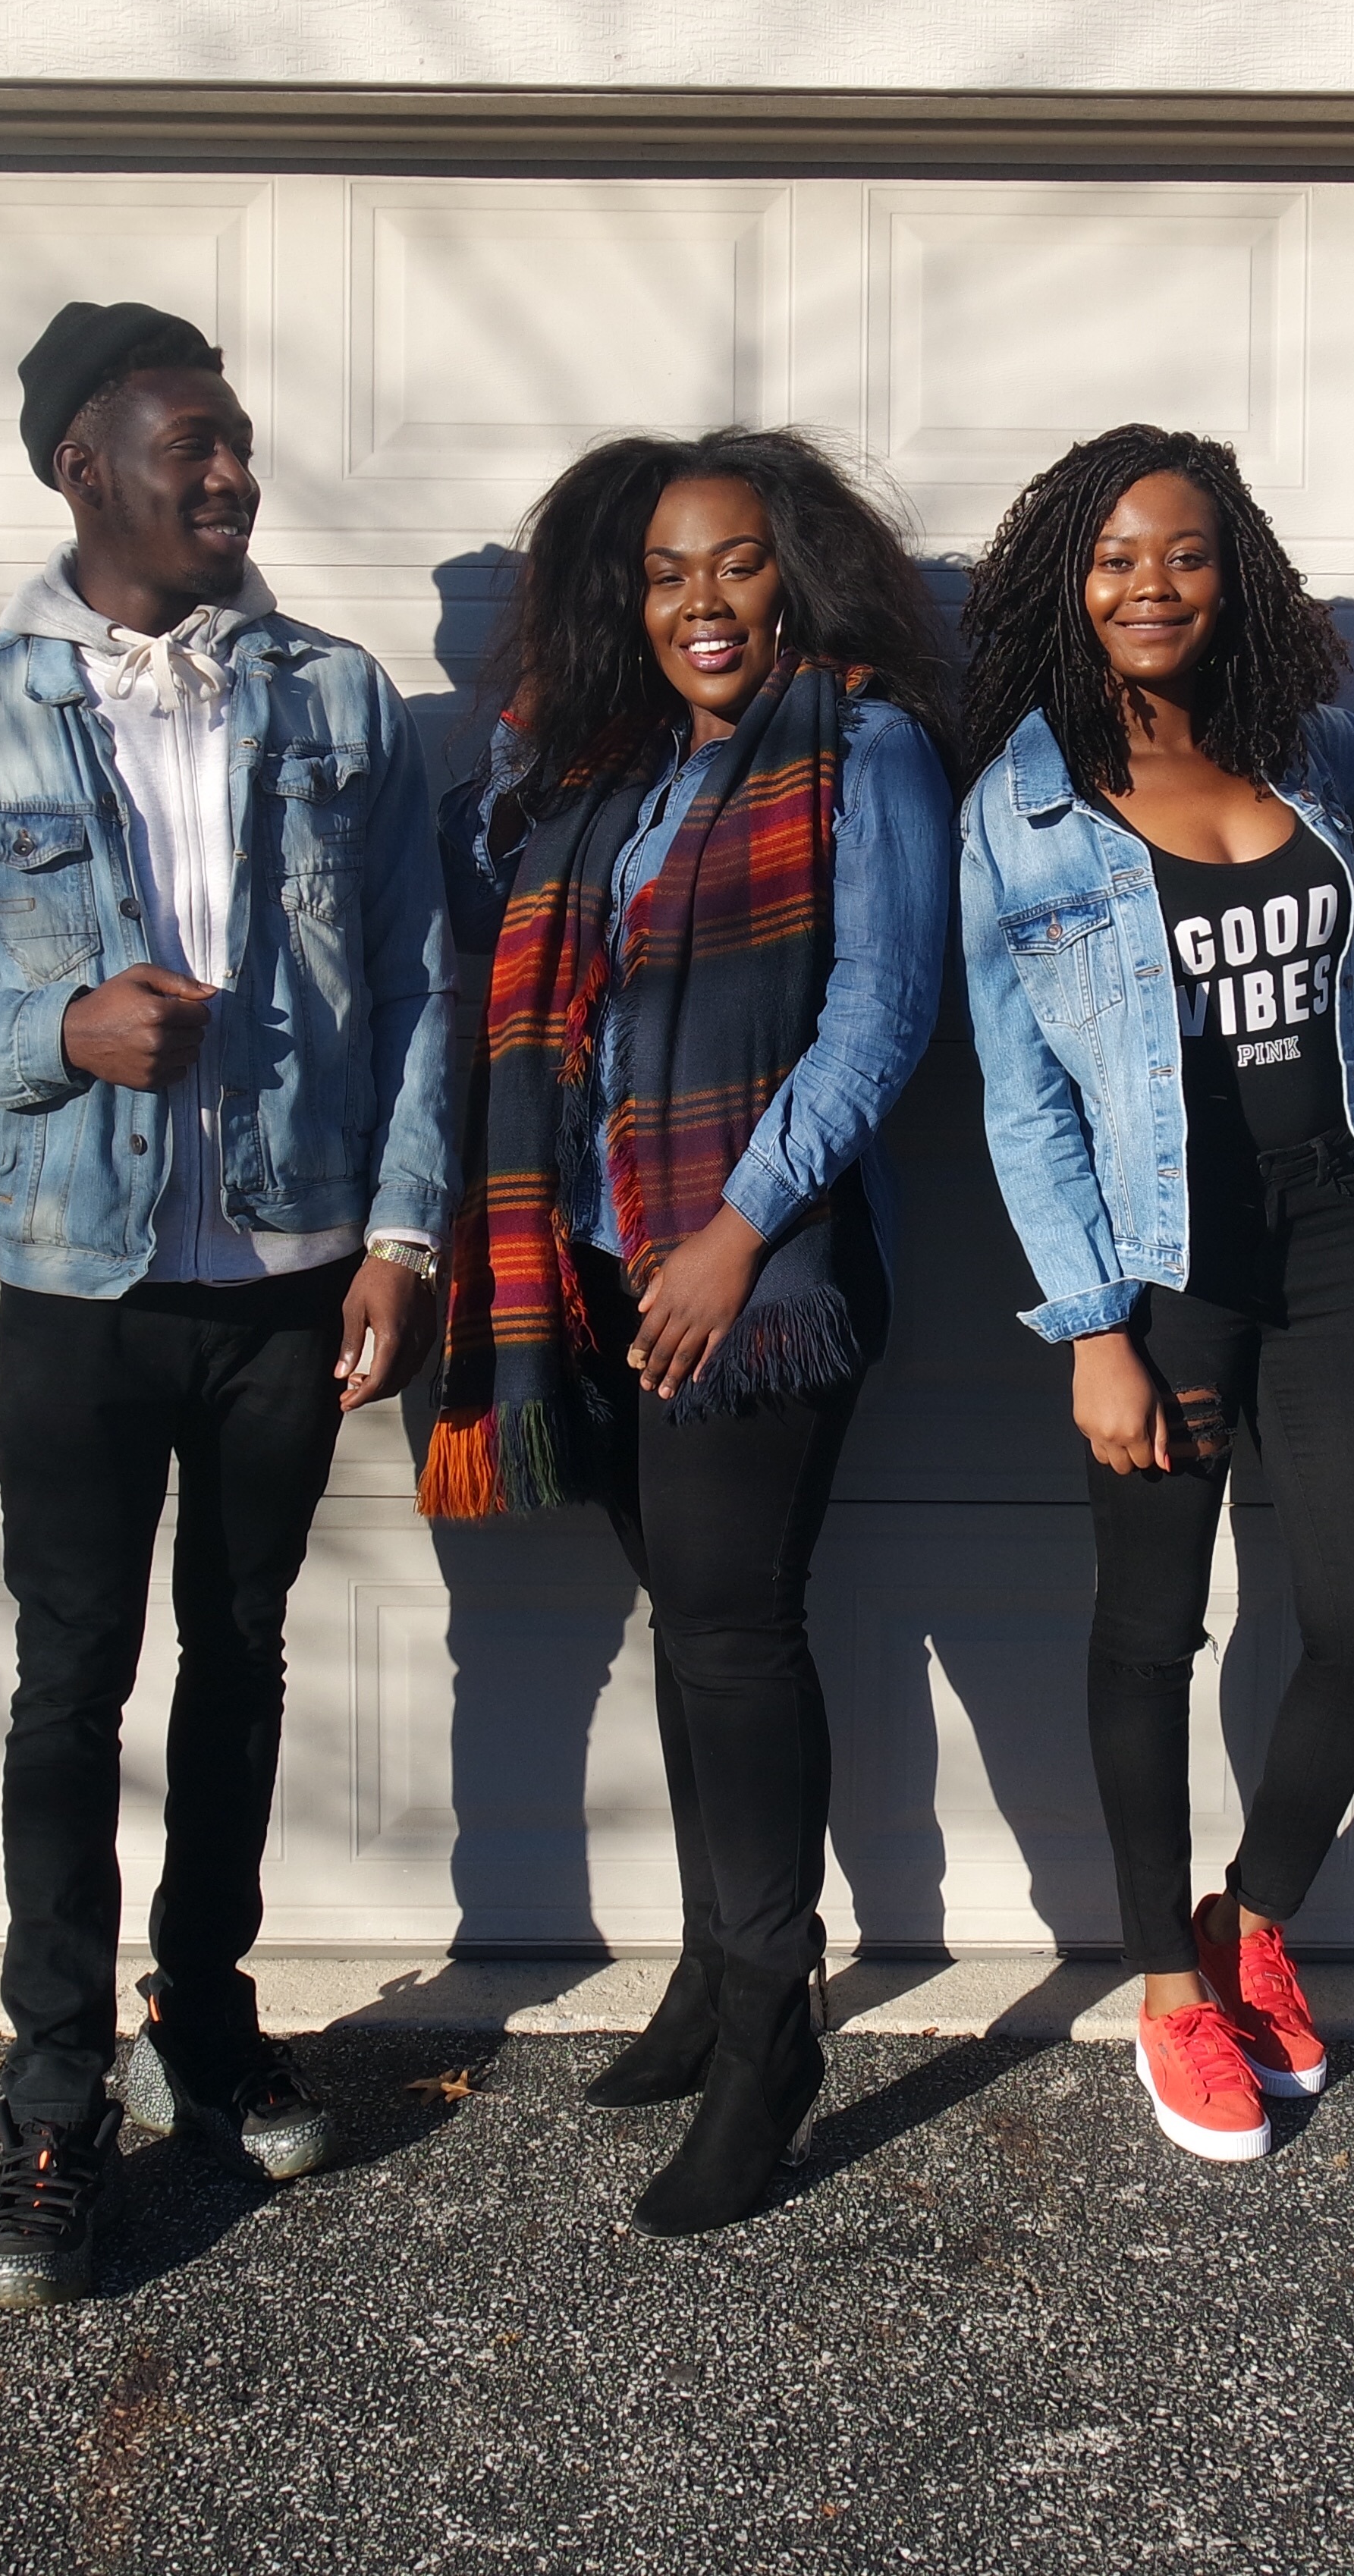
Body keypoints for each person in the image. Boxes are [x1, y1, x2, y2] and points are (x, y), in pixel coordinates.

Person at [0, 303, 457, 2307]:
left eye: (241, 442)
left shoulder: (338, 701)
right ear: (81, 467)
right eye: (195, 445)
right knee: (71, 1686)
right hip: (80, 1294)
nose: (234, 475)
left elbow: (421, 986)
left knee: (240, 1657)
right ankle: (51, 2100)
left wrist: (405, 1237)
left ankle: (206, 2014)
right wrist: (54, 1031)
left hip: (285, 1281)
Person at [424, 427, 951, 2236]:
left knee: (736, 1636)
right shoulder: (622, 764)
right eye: (663, 574)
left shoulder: (864, 749)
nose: (700, 602)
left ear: (793, 576)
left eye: (734, 563)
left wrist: (738, 1228)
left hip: (756, 1277)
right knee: (700, 1631)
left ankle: (771, 2036)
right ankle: (720, 1973)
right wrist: (526, 741)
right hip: (600, 1261)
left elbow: (882, 1015)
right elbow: (491, 907)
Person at [954, 422, 1354, 2165]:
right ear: (1067, 584)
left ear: (1234, 571)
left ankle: (1252, 1920)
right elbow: (1021, 1100)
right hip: (1161, 1260)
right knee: (1150, 1631)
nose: (1151, 585)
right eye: (1114, 557)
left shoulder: (1308, 746)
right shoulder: (1024, 808)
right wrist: (1092, 1329)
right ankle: (1164, 1988)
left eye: (1185, 552)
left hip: (1330, 1229)